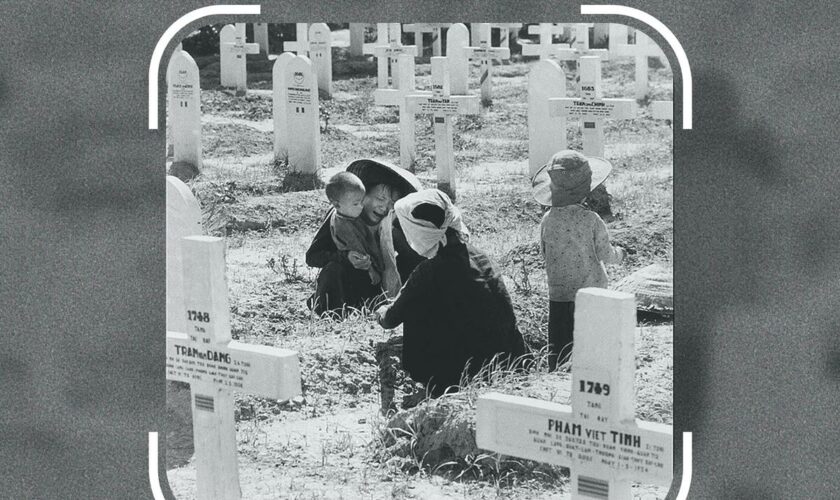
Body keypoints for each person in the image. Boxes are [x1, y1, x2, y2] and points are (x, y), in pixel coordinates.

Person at [374, 189, 528, 407]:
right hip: (509, 360)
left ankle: (433, 384)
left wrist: (380, 312)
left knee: (418, 307)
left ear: (418, 233)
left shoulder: (429, 271)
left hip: (463, 373)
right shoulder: (481, 255)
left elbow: (391, 318)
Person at [532, 150, 626, 371]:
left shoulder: (548, 219)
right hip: (591, 293)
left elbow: (544, 251)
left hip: (559, 293)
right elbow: (605, 253)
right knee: (593, 347)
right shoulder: (591, 219)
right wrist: (620, 255)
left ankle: (555, 374)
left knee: (561, 344)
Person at [305, 159, 425, 316]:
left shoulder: (393, 220)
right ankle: (332, 313)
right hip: (349, 290)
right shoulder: (340, 217)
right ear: (363, 194)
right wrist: (346, 257)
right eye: (380, 199)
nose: (385, 207)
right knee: (332, 270)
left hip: (380, 291)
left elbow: (415, 259)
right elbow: (313, 257)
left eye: (392, 203)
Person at [325, 171, 386, 288]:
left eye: (362, 202)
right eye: (356, 204)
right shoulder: (343, 225)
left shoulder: (350, 215)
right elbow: (358, 249)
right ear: (337, 205)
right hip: (359, 269)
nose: (361, 207)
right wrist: (373, 272)